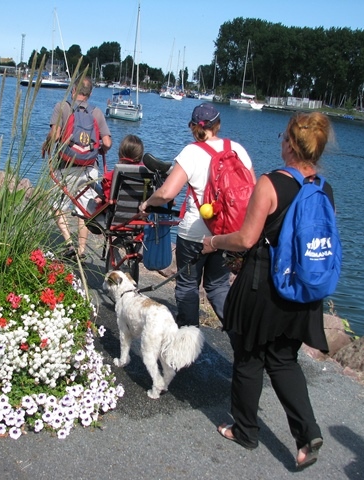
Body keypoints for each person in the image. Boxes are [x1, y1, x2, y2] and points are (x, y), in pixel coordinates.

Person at [200, 112, 335, 470]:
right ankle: (307, 435)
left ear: (291, 144)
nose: (280, 142)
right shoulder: (322, 187)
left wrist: (213, 241)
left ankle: (245, 430)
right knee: (283, 359)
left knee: (248, 357)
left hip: (264, 286)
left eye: (283, 137)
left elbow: (246, 239)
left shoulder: (271, 183)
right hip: (302, 290)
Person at [137, 103, 256, 327]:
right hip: (229, 234)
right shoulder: (237, 149)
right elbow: (252, 191)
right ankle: (238, 335)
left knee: (188, 286)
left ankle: (188, 343)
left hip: (195, 237)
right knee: (218, 287)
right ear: (218, 125)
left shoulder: (191, 152)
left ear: (193, 127)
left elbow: (167, 193)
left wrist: (146, 204)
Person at [42, 76, 112, 259]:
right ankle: (81, 249)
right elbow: (107, 143)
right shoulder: (96, 112)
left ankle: (69, 243)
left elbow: (55, 135)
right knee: (84, 208)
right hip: (90, 168)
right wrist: (95, 147)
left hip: (65, 165)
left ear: (74, 90)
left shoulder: (62, 107)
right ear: (90, 94)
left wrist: (46, 143)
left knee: (57, 206)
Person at [97, 134, 144, 203]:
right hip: (138, 211)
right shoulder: (146, 173)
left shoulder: (112, 175)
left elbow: (108, 196)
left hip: (115, 212)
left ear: (120, 153)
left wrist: (102, 199)